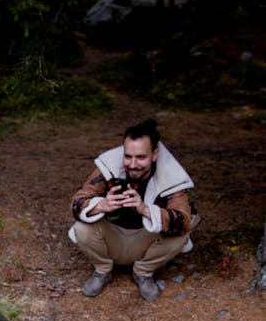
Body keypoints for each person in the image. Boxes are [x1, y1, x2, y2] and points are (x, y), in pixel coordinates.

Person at [69, 119, 199, 300]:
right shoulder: (108, 169)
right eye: (128, 156)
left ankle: (143, 272)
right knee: (82, 227)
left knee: (182, 235)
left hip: (146, 241)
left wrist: (145, 209)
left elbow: (183, 220)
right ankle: (102, 270)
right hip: (112, 237)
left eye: (141, 157)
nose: (132, 164)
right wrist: (101, 205)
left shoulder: (172, 178)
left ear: (155, 154)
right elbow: (78, 201)